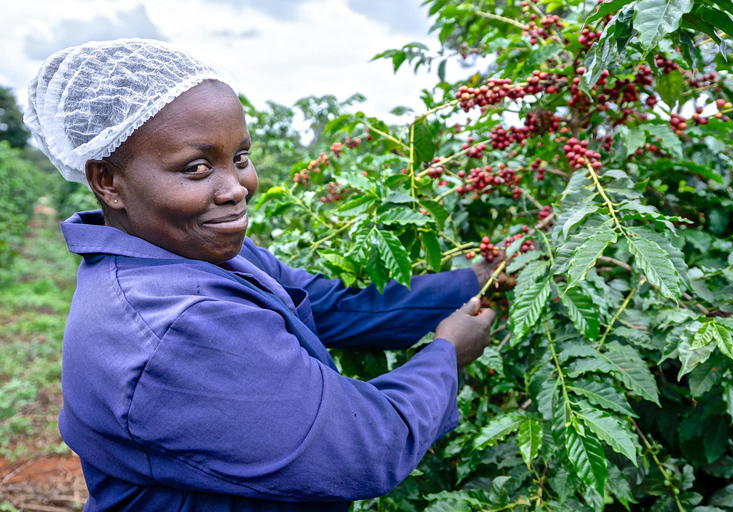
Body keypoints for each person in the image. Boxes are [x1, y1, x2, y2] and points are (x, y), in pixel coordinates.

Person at [24, 39, 506, 511]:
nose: (236, 188)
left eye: (239, 158)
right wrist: (446, 355)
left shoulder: (208, 252)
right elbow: (364, 447)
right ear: (108, 182)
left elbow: (338, 306)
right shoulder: (178, 325)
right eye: (196, 167)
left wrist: (479, 279)